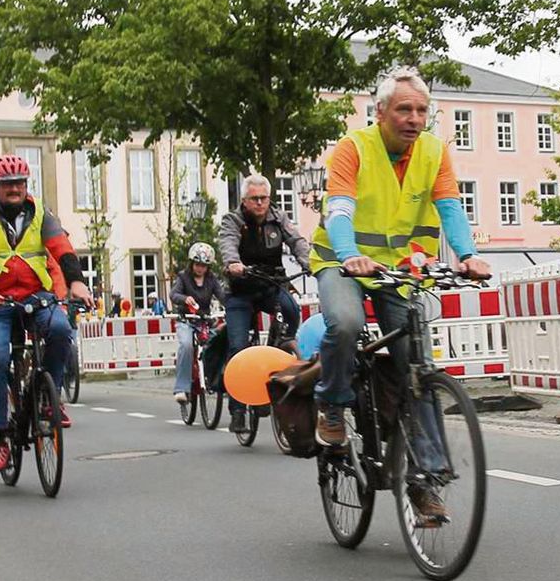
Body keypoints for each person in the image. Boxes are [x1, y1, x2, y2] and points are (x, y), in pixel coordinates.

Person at [310, 66, 491, 525]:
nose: (414, 119)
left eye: (422, 111)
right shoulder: (353, 149)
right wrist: (350, 255)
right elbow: (340, 209)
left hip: (400, 269)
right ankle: (332, 405)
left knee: (417, 364)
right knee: (346, 323)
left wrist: (467, 255)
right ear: (381, 111)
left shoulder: (434, 152)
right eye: (405, 109)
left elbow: (450, 207)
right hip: (342, 261)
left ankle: (425, 483)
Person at [0, 154, 93, 475]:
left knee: (61, 331)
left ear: (26, 185)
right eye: (7, 184)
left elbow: (62, 249)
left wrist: (75, 282)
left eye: (19, 183)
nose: (14, 189)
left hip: (36, 298)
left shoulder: (40, 213)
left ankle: (49, 396)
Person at [218, 174, 311, 432]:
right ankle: (237, 409)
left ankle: (278, 345)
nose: (260, 203)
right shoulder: (233, 220)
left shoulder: (278, 218)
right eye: (254, 199)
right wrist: (232, 263)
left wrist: (310, 263)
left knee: (292, 311)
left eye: (264, 198)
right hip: (240, 290)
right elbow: (227, 242)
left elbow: (297, 241)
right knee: (237, 346)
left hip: (270, 284)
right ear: (244, 200)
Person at [169, 242, 228, 405]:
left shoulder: (212, 280)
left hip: (204, 321)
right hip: (186, 320)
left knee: (217, 343)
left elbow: (222, 295)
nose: (200, 268)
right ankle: (181, 388)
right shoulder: (183, 277)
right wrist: (184, 298)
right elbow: (174, 294)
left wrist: (231, 306)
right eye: (197, 264)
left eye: (204, 265)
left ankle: (216, 381)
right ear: (192, 264)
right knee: (186, 345)